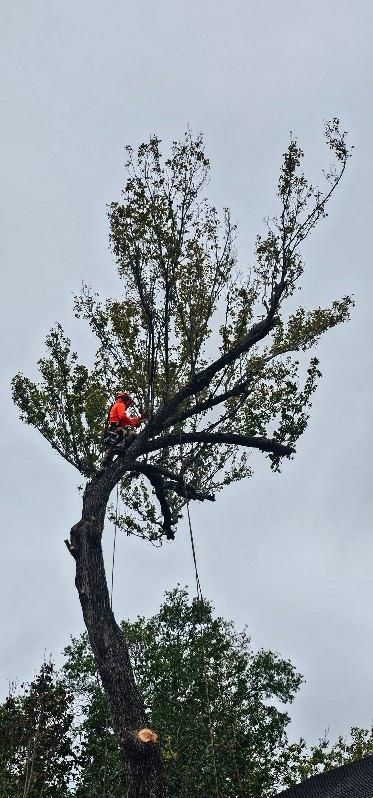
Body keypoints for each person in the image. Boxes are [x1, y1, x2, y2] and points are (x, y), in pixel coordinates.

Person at [97, 391, 147, 474]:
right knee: (133, 435)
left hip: (113, 430)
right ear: (126, 400)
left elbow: (124, 421)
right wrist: (133, 423)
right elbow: (123, 417)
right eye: (129, 403)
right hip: (117, 430)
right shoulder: (121, 405)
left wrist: (139, 419)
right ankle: (121, 447)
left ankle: (102, 467)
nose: (128, 405)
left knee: (110, 450)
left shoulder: (115, 406)